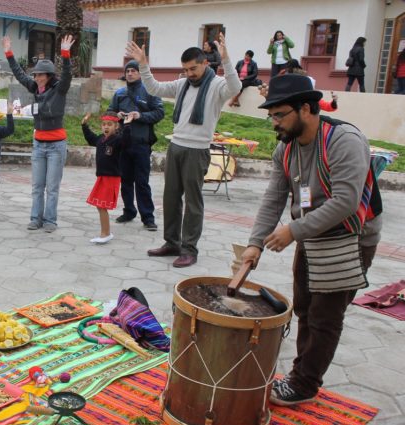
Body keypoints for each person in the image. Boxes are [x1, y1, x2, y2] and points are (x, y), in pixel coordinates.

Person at [241, 74, 382, 406]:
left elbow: (346, 202)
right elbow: (274, 198)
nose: (274, 123)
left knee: (325, 315)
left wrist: (292, 231)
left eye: (280, 114)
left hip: (352, 236)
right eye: (271, 115)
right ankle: (300, 371)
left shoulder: (343, 140)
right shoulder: (285, 148)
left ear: (306, 108)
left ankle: (305, 383)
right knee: (304, 306)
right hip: (312, 234)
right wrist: (255, 243)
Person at [127, 33, 242, 267]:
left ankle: (190, 249)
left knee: (193, 201)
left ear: (205, 64)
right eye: (186, 69)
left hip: (197, 150)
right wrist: (143, 64)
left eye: (193, 69)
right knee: (170, 198)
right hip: (176, 146)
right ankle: (172, 243)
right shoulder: (182, 85)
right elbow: (154, 88)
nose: (189, 74)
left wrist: (227, 60)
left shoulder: (218, 86)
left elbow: (235, 86)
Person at [3, 34, 75, 232]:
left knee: (52, 188)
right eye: (35, 75)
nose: (37, 78)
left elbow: (68, 75)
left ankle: (50, 221)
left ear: (49, 76)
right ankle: (35, 218)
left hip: (56, 145)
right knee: (37, 186)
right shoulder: (35, 87)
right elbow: (19, 74)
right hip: (38, 144)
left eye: (41, 75)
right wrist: (9, 53)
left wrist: (65, 54)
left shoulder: (59, 89)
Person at [108, 59, 164, 231]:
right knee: (125, 181)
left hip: (141, 144)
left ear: (140, 73)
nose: (130, 73)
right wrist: (116, 115)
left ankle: (148, 217)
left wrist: (140, 116)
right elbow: (108, 113)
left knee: (142, 182)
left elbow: (160, 112)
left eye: (133, 71)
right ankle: (129, 211)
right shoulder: (119, 93)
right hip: (123, 144)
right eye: (128, 71)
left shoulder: (150, 91)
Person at [81, 111, 133, 244]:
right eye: (104, 124)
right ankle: (106, 233)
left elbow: (126, 142)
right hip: (102, 177)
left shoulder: (117, 140)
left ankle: (105, 234)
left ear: (116, 127)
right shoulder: (100, 139)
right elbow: (90, 138)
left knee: (101, 205)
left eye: (109, 124)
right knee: (99, 206)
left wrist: (127, 126)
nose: (106, 127)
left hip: (111, 178)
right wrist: (84, 125)